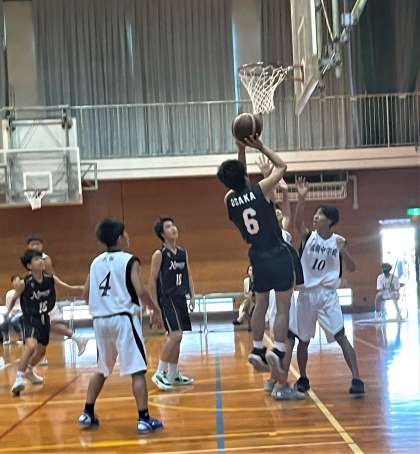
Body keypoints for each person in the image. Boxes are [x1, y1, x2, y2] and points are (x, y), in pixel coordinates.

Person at [217, 135, 302, 400]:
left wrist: (240, 149)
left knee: (261, 302)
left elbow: (239, 179)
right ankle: (277, 350)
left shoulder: (229, 200)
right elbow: (282, 166)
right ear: (245, 175)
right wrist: (259, 146)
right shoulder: (260, 190)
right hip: (277, 252)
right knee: (283, 306)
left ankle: (256, 348)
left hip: (256, 255)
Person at [78, 218, 164, 433]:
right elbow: (140, 291)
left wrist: (102, 305)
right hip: (123, 319)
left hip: (100, 321)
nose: (127, 237)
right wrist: (155, 310)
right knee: (138, 370)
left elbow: (85, 294)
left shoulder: (95, 263)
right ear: (119, 238)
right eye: (125, 234)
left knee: (102, 368)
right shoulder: (129, 260)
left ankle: (87, 412)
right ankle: (144, 418)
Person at [291, 177, 364, 395]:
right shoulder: (309, 237)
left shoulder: (338, 241)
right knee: (303, 340)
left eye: (320, 214)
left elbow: (352, 267)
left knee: (341, 336)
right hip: (306, 294)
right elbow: (297, 223)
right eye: (315, 213)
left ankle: (357, 379)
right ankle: (303, 378)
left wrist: (344, 251)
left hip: (328, 295)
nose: (315, 216)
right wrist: (301, 198)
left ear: (330, 220)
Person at [8, 250, 84, 396]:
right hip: (30, 319)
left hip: (44, 318)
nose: (41, 261)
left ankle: (29, 371)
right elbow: (14, 298)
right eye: (37, 259)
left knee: (41, 352)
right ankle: (18, 379)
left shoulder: (50, 279)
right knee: (31, 346)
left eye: (41, 259)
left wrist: (82, 289)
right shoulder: (25, 283)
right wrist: (7, 313)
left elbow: (68, 288)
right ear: (29, 266)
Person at [150, 217, 196, 391]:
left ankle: (173, 374)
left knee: (179, 337)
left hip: (180, 298)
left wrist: (192, 296)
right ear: (162, 234)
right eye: (168, 227)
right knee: (175, 335)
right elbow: (152, 281)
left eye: (173, 225)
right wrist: (154, 308)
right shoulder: (159, 254)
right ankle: (159, 372)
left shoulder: (183, 252)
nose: (173, 228)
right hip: (167, 298)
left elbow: (188, 275)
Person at [26, 233, 88, 359]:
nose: (35, 246)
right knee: (45, 325)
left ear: (42, 245)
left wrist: (54, 293)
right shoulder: (30, 259)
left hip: (44, 297)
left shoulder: (44, 259)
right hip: (37, 297)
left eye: (37, 244)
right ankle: (77, 339)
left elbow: (52, 277)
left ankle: (77, 338)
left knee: (49, 324)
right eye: (32, 244)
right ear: (28, 246)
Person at [0, 275, 24, 343]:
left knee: (14, 321)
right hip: (12, 313)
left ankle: (21, 337)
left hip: (21, 312)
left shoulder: (23, 292)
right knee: (4, 322)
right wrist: (7, 314)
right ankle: (6, 338)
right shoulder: (9, 293)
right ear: (12, 283)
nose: (16, 282)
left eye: (18, 281)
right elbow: (8, 306)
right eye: (14, 281)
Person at [232, 265, 255, 330]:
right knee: (249, 302)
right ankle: (250, 326)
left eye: (252, 270)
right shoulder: (246, 281)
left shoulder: (258, 280)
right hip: (249, 300)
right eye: (250, 270)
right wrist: (249, 296)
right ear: (247, 271)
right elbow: (245, 294)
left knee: (249, 301)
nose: (251, 272)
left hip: (258, 299)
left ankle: (240, 319)